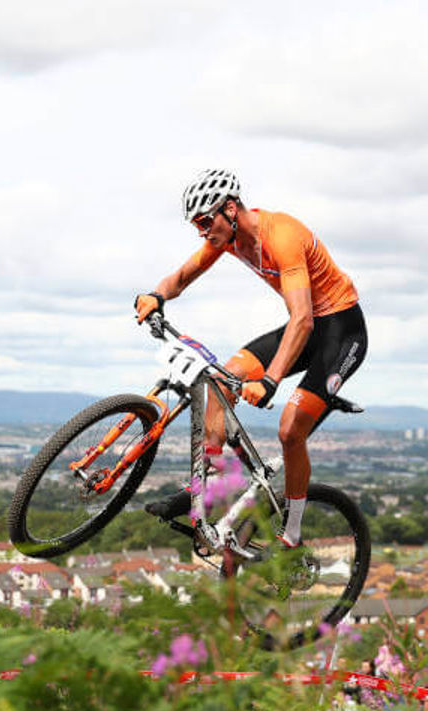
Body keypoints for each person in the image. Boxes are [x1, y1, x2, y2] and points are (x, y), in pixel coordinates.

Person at [135, 168, 368, 548]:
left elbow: (303, 319)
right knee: (224, 379)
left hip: (341, 331)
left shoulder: (283, 235)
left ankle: (291, 529)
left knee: (290, 430)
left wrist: (271, 380)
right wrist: (156, 295)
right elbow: (182, 276)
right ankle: (208, 486)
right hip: (305, 327)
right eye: (196, 224)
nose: (201, 231)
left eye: (205, 221)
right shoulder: (226, 238)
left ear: (229, 209)